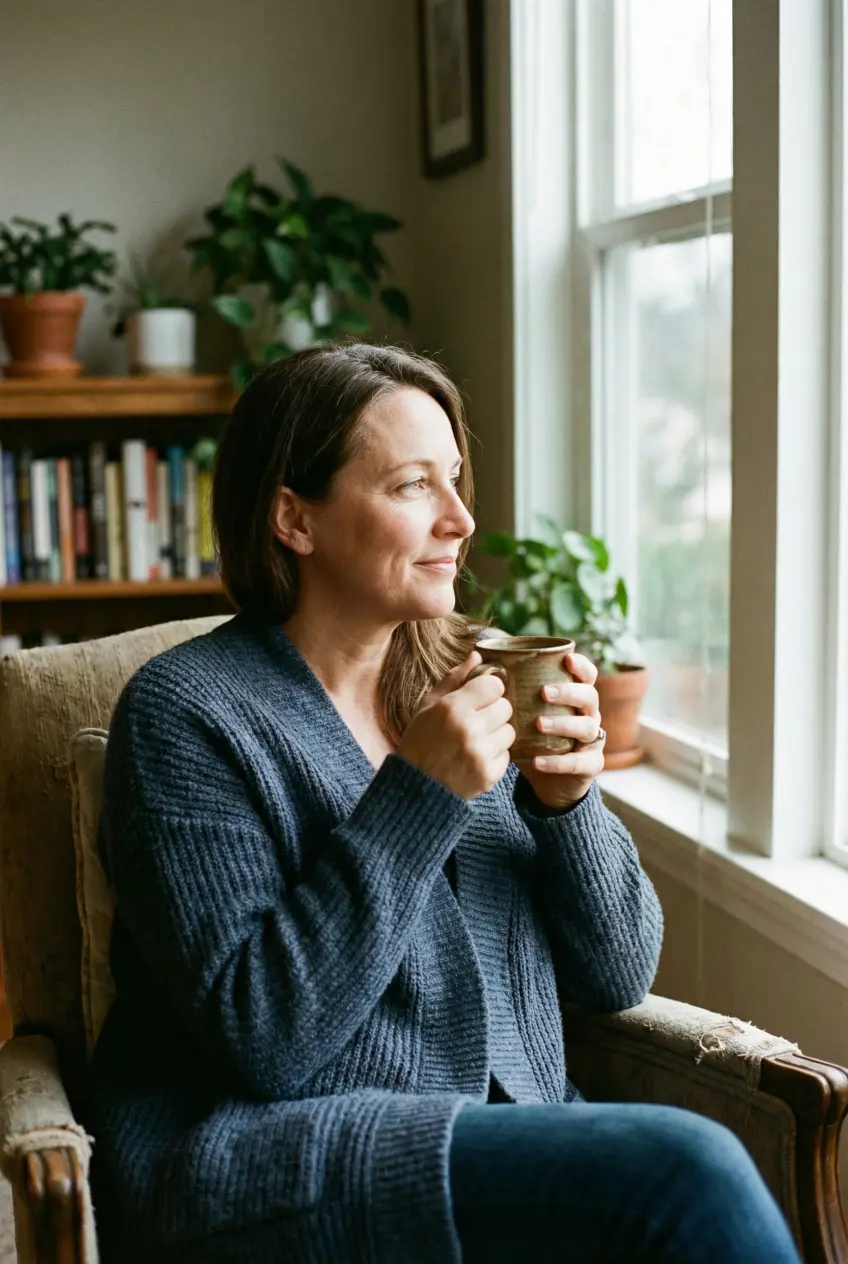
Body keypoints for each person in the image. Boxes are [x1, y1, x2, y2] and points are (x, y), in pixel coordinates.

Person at [88, 343, 802, 1263]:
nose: (461, 520)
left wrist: (569, 803)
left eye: (455, 480)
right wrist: (420, 794)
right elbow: (262, 1039)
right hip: (282, 1160)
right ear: (292, 518)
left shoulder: (480, 674)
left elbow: (619, 971)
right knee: (684, 1168)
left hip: (500, 1140)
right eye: (412, 486)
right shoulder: (187, 714)